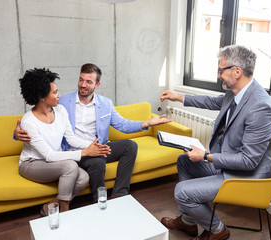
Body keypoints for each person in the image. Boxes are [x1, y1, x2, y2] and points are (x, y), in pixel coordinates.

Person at [159, 45, 271, 240]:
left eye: (221, 70)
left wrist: (206, 156)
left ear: (237, 72)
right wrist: (178, 96)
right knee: (184, 161)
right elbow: (211, 102)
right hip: (234, 166)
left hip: (250, 176)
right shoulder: (236, 93)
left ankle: (217, 230)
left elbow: (249, 161)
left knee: (182, 191)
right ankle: (189, 222)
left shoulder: (260, 108)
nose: (218, 75)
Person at [15, 63, 171, 202]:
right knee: (97, 161)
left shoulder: (105, 104)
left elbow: (123, 125)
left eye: (89, 82)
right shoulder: (62, 102)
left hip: (96, 146)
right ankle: (99, 201)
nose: (83, 85)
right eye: (81, 80)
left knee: (130, 146)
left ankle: (119, 195)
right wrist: (17, 134)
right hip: (73, 150)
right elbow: (37, 112)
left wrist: (147, 123)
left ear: (97, 85)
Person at [18, 68, 111, 216]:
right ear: (42, 96)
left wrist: (92, 146)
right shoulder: (28, 121)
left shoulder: (60, 110)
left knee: (83, 177)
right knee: (70, 165)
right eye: (55, 92)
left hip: (53, 161)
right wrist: (85, 152)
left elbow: (71, 138)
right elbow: (48, 155)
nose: (59, 95)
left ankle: (51, 205)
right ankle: (65, 211)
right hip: (31, 163)